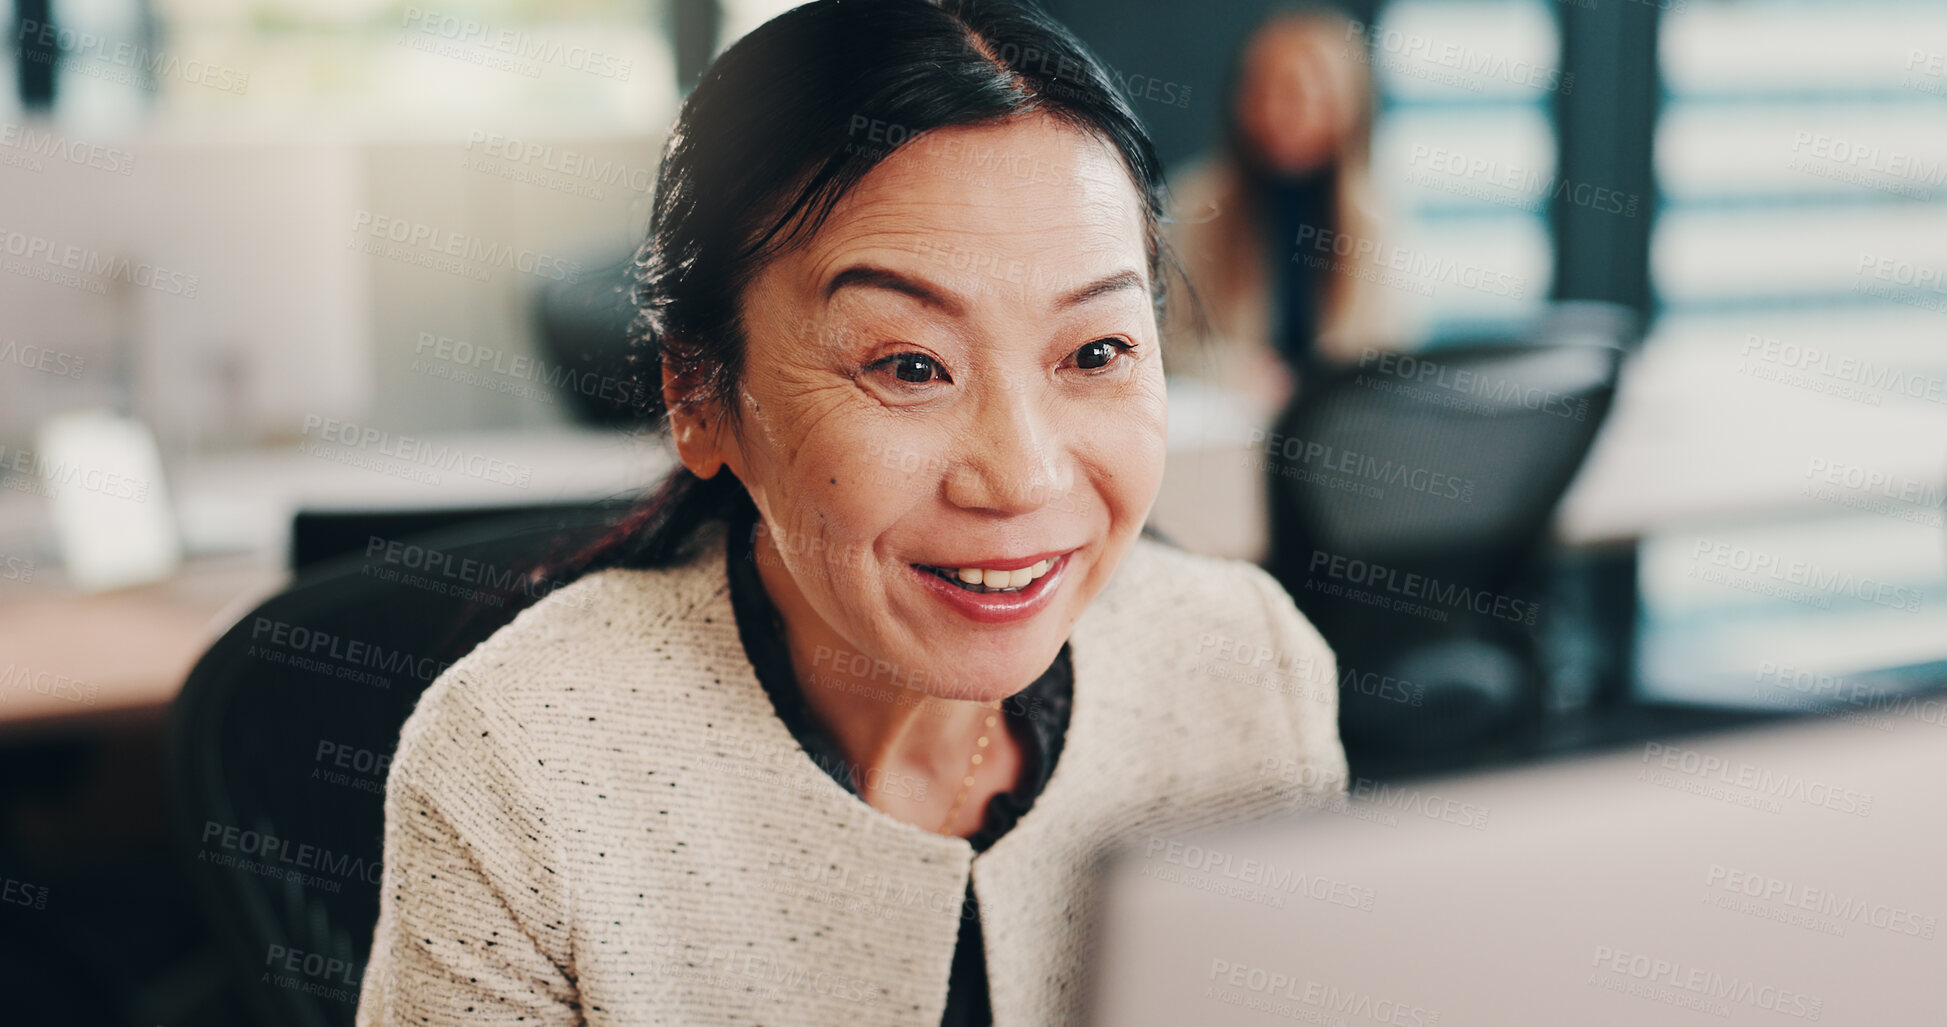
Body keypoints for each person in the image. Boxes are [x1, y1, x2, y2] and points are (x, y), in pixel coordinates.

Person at [354, 2, 1346, 1024]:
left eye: (1095, 353)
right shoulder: (526, 761)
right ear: (700, 400)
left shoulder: (1246, 669)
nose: (1023, 478)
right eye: (910, 365)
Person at [1163, 5, 1400, 423]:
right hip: (1228, 427)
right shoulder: (1191, 205)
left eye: (1296, 94)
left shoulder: (1377, 219)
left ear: (1344, 104)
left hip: (1336, 431)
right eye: (1261, 91)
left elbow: (1388, 353)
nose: (1275, 111)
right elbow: (1158, 341)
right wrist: (1232, 372)